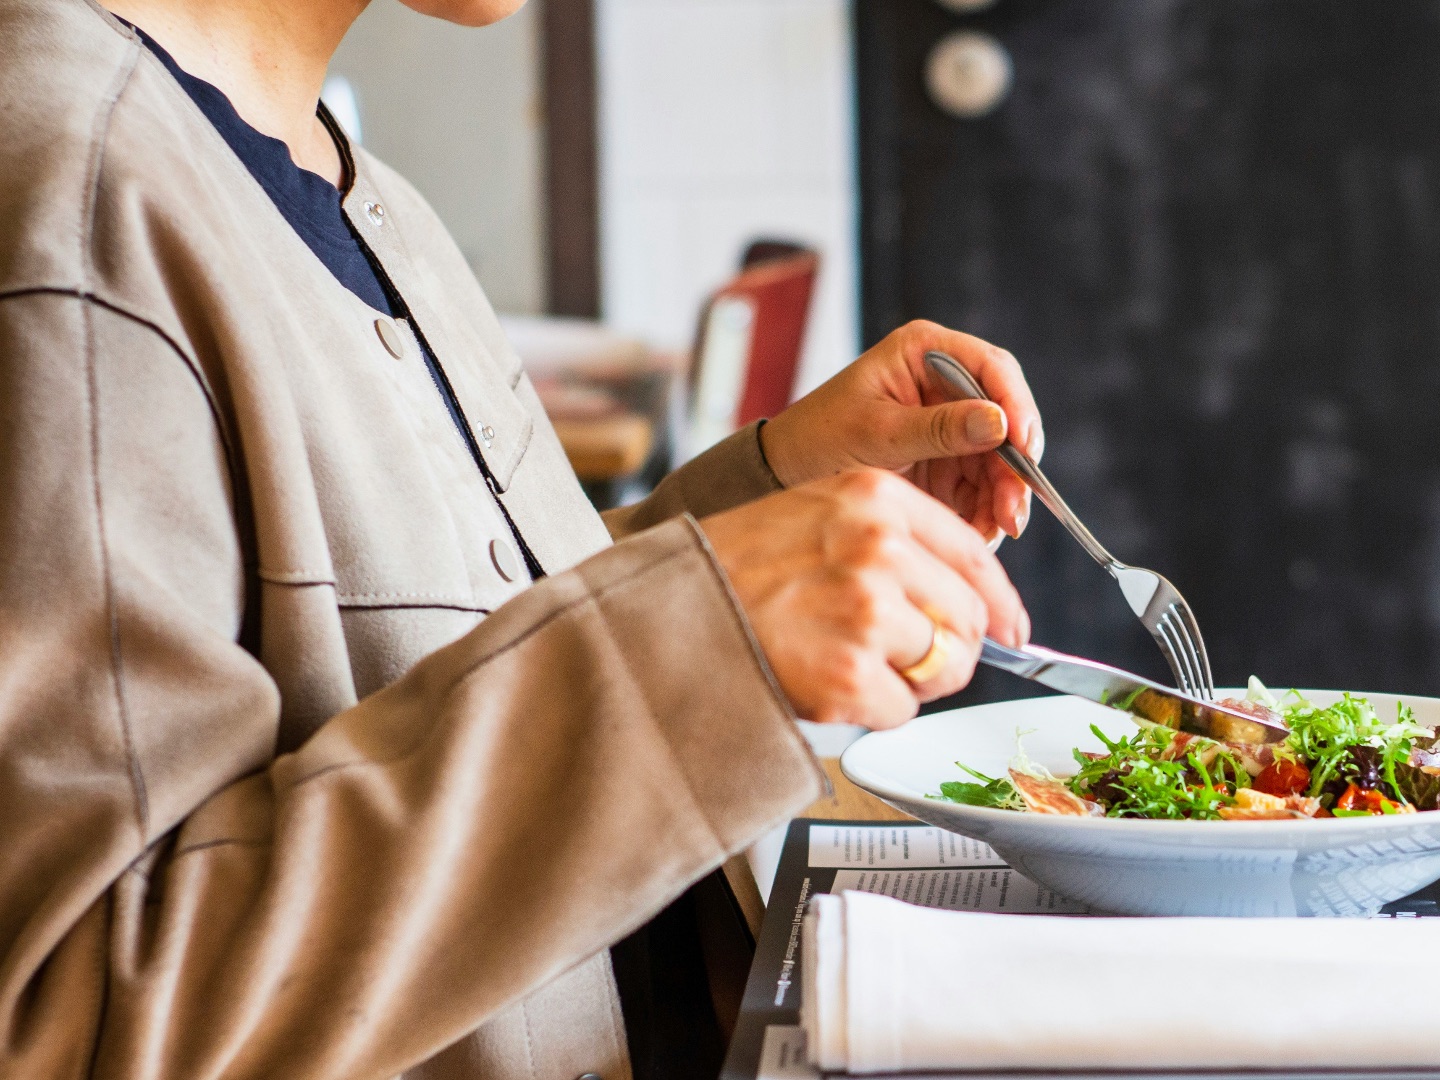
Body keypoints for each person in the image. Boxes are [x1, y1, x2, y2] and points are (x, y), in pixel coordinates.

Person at [0, 0, 1044, 1075]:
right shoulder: (77, 199)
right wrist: (692, 647)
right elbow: (80, 1022)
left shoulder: (363, 193)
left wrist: (767, 495)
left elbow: (454, 642)